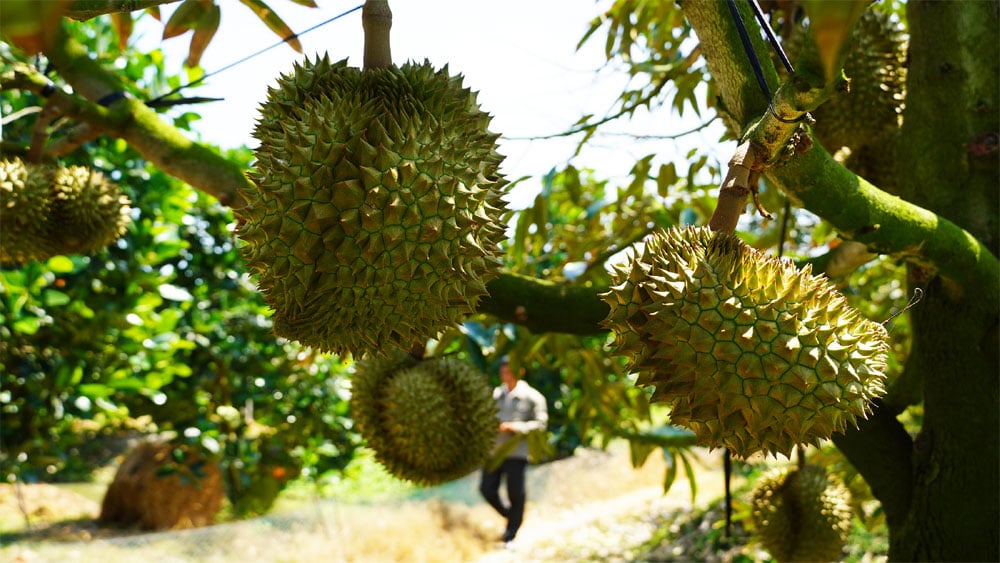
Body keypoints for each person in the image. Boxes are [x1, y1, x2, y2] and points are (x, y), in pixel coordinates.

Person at [479, 356, 548, 544]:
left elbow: (541, 425)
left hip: (517, 453)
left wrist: (515, 427)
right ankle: (512, 517)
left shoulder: (533, 397)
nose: (505, 375)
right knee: (486, 489)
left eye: (509, 371)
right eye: (503, 371)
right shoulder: (495, 395)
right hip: (495, 452)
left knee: (515, 493)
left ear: (520, 372)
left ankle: (510, 534)